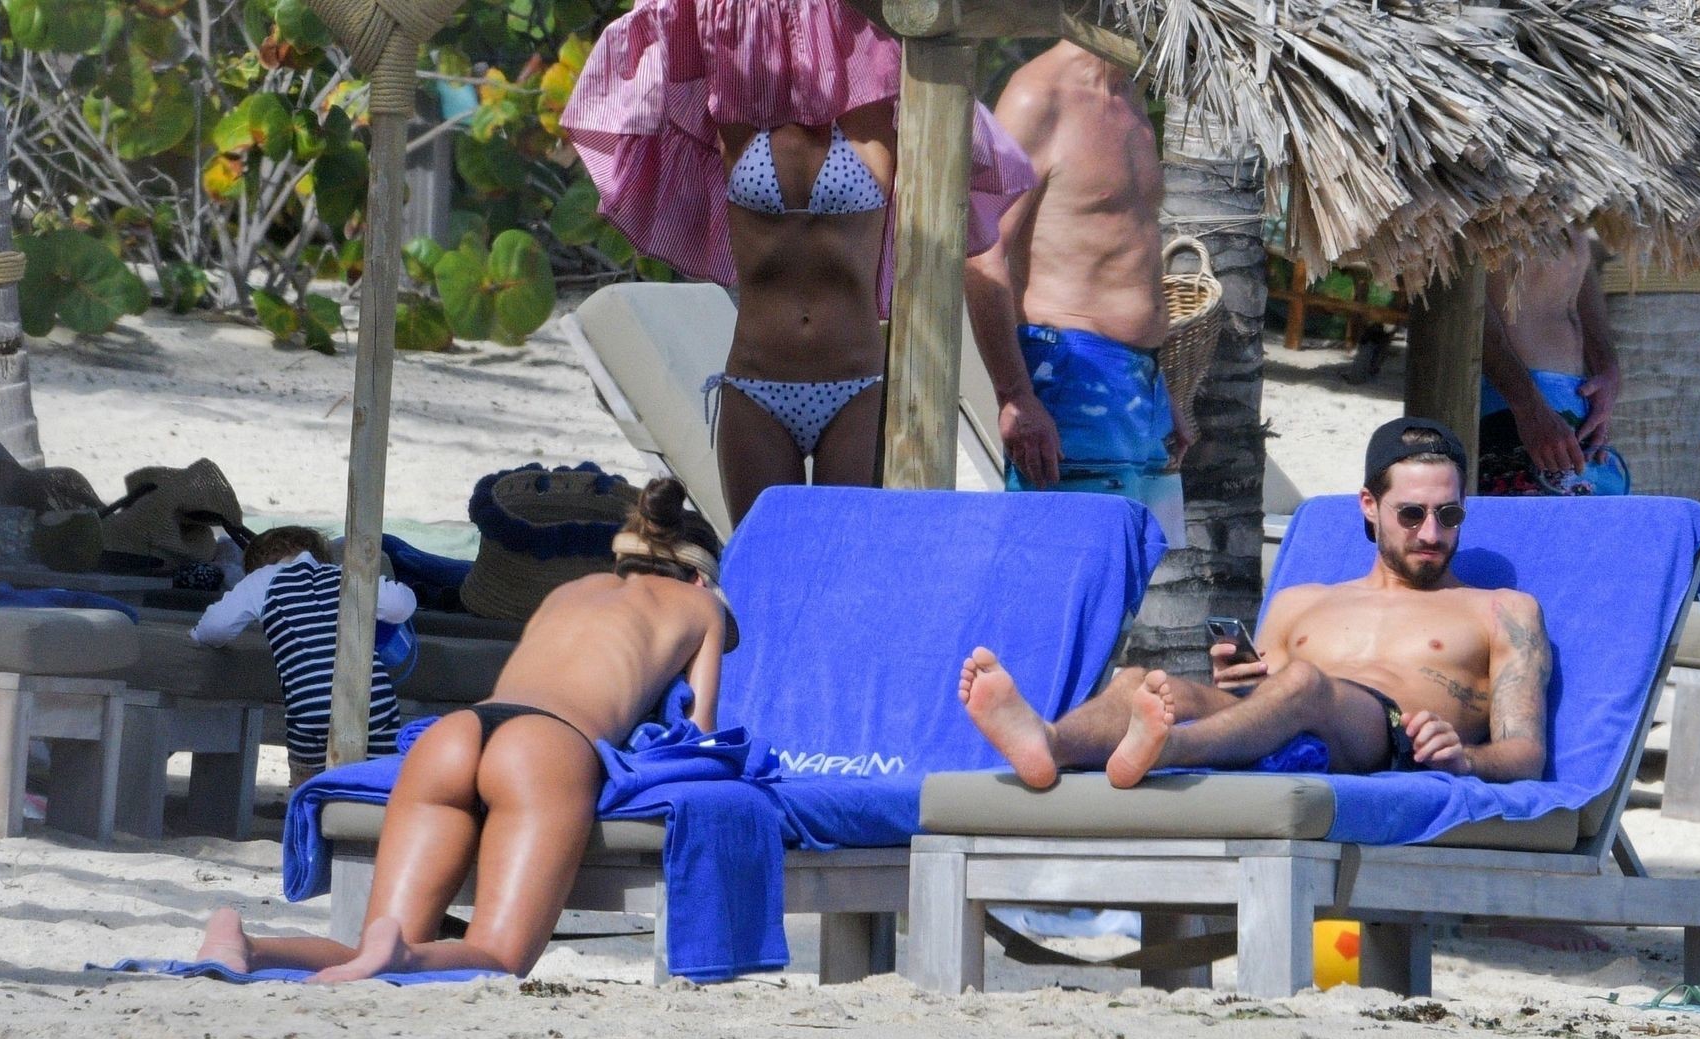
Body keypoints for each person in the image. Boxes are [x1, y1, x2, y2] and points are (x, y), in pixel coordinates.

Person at [194, 478, 735, 981]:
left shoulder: (570, 591)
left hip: (457, 733)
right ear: (699, 576)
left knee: (370, 945)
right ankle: (402, 954)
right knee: (500, 956)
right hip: (546, 747)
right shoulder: (701, 605)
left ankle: (245, 943)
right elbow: (697, 736)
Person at [562, 0, 1033, 524]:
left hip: (855, 385)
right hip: (756, 382)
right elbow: (650, 41)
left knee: (844, 561)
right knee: (762, 566)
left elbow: (971, 140)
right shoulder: (739, 97)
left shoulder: (878, 102)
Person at [958, 417, 1550, 791]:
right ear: (1370, 506)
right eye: (1412, 513)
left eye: (1449, 514)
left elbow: (1525, 752)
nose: (1431, 533)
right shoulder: (1302, 602)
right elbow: (1257, 701)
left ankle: (1165, 747)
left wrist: (1465, 760)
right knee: (1142, 682)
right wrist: (1238, 680)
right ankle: (1049, 742)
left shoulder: (1501, 610)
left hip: (1391, 742)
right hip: (1290, 724)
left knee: (1304, 683)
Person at [964, 40, 1194, 527]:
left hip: (1141, 383)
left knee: (1134, 561)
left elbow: (1127, 246)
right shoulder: (1038, 96)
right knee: (1065, 557)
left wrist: (1159, 386)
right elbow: (983, 251)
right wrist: (1014, 395)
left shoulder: (1130, 96)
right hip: (1070, 372)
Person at [190, 525, 417, 790]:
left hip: (310, 706)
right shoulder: (345, 576)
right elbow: (402, 605)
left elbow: (215, 627)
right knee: (383, 782)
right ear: (319, 556)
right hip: (374, 700)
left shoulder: (261, 580)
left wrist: (196, 634)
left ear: (257, 565)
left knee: (309, 784)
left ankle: (308, 805)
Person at [1478, 230, 1626, 496]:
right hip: (1513, 401)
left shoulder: (1569, 207)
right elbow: (1469, 307)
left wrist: (1606, 367)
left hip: (1575, 397)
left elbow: (1580, 271)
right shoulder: (1479, 207)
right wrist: (1529, 408)